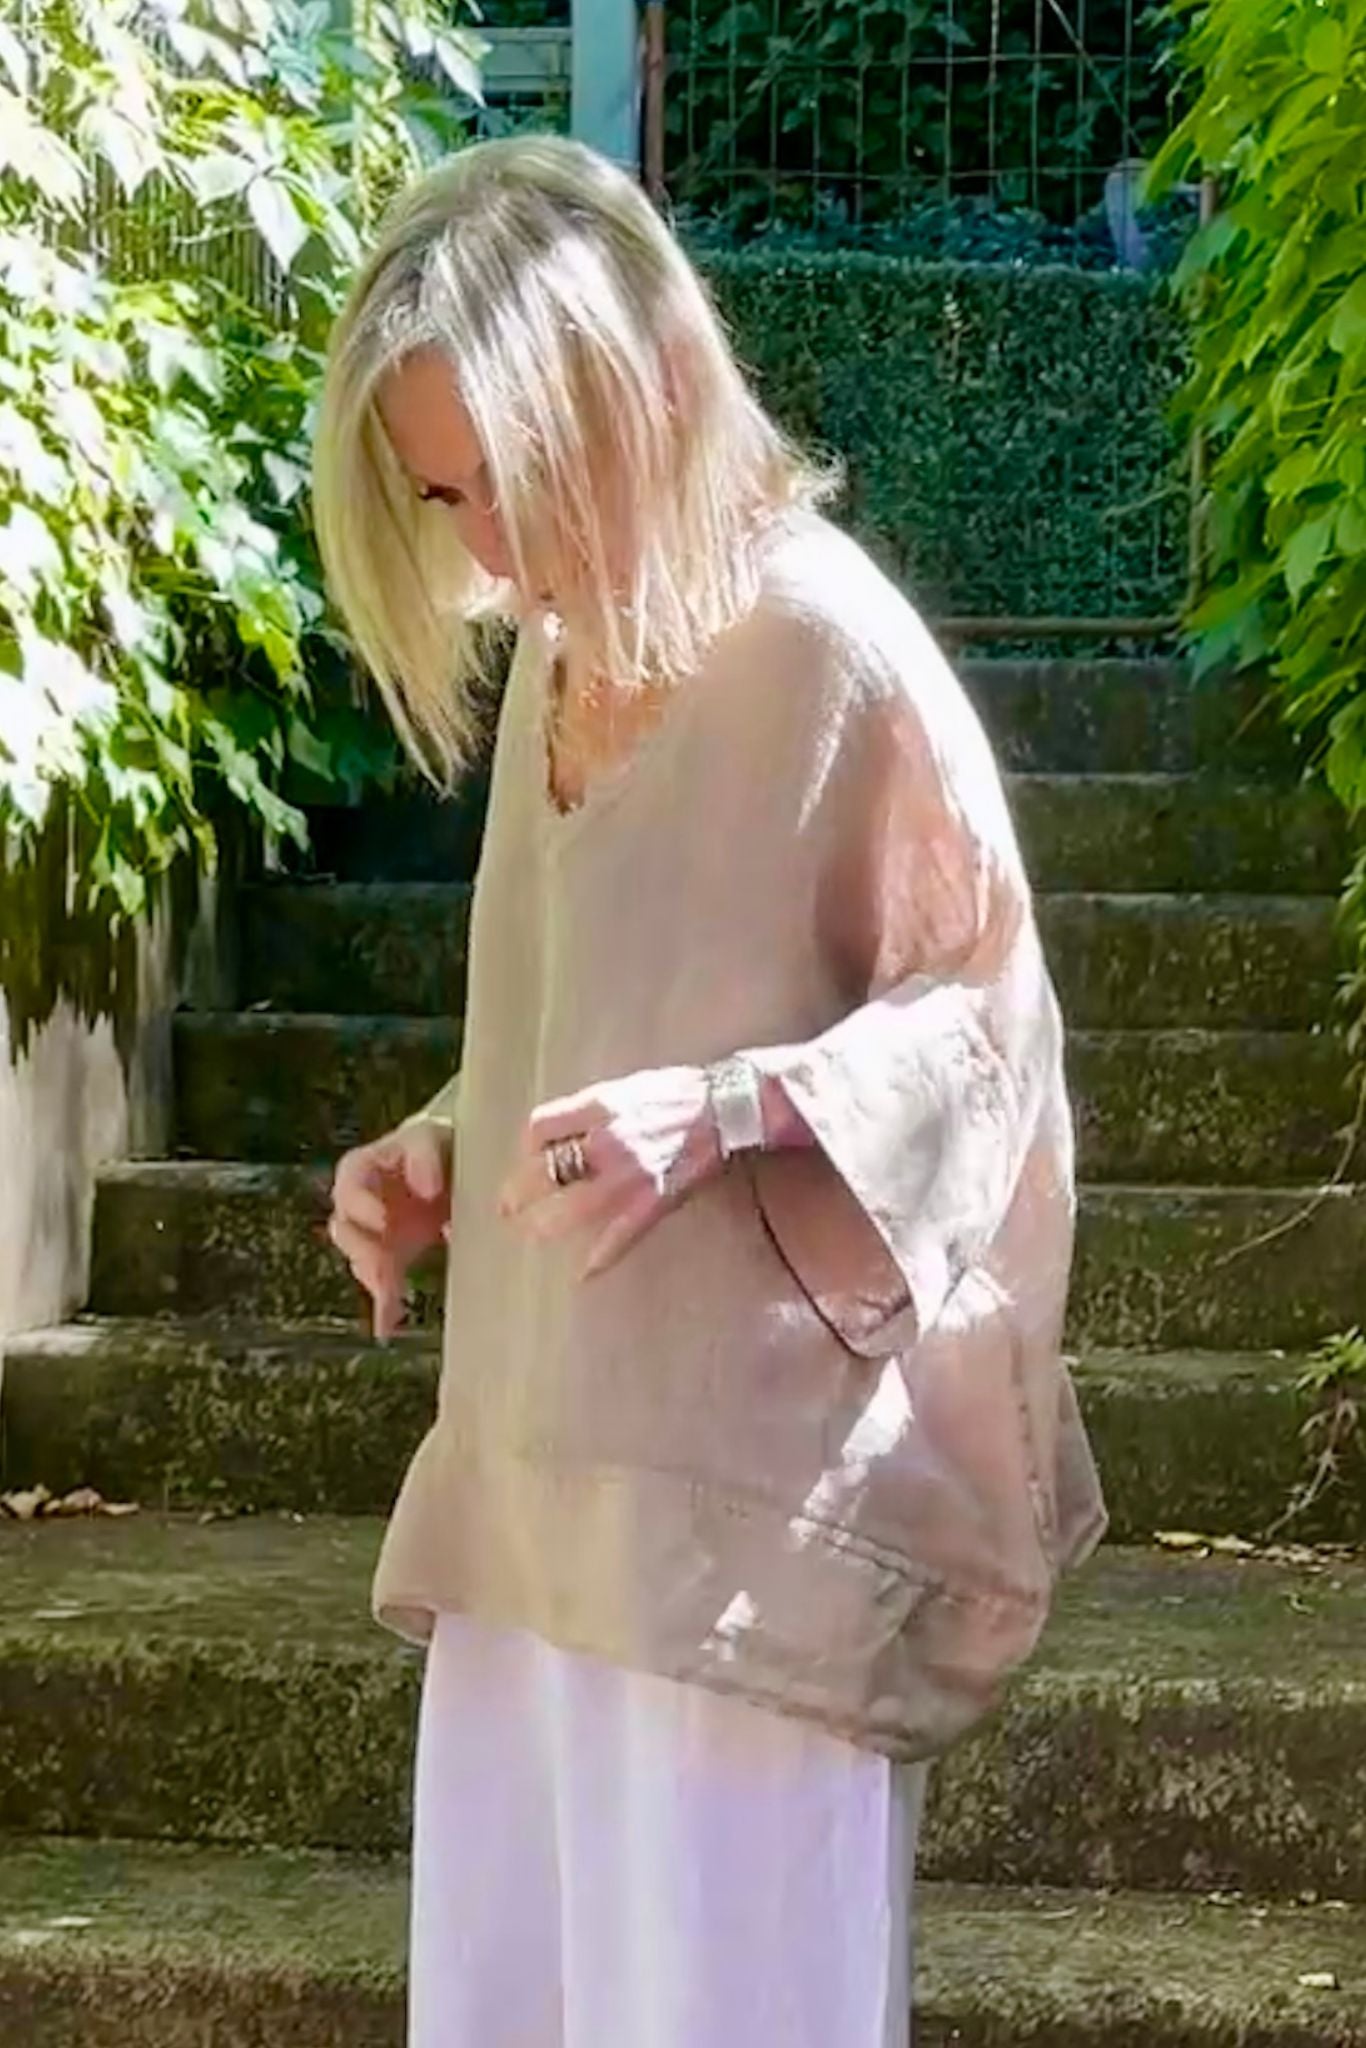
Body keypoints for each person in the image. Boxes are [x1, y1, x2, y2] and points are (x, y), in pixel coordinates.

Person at [313, 134, 1107, 2048]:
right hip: (534, 1531)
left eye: (509, 481)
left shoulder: (825, 645)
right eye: (446, 497)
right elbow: (624, 993)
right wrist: (447, 1140)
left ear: (640, 388)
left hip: (741, 1550)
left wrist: (732, 1109)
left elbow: (988, 1036)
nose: (487, 554)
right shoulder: (554, 659)